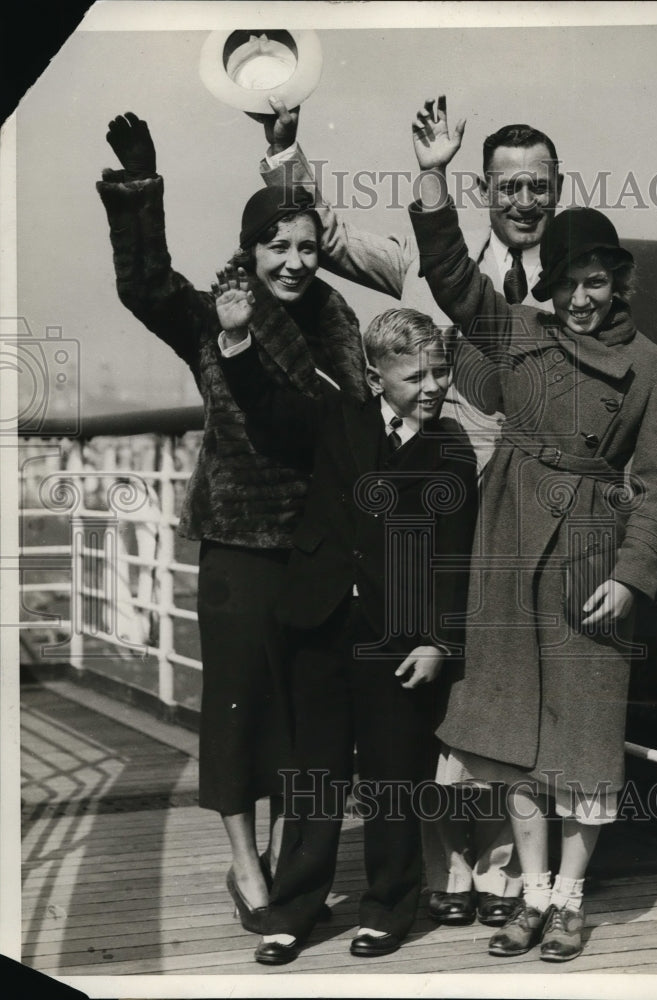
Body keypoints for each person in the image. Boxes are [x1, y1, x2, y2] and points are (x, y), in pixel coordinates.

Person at [253, 94, 565, 929]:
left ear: (557, 191)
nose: (522, 202)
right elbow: (328, 234)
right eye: (506, 187)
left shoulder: (573, 283)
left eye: (538, 186)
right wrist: (285, 152)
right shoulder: (433, 264)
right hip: (437, 507)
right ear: (483, 191)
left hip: (525, 511)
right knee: (427, 707)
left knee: (504, 689)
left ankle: (504, 868)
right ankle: (443, 868)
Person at [407, 98, 657, 962]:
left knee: (583, 742)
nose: (583, 299)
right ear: (549, 283)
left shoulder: (652, 368)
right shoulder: (518, 331)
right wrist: (433, 173)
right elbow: (450, 276)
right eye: (569, 281)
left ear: (618, 283)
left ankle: (568, 898)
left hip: (590, 562)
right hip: (507, 549)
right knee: (511, 740)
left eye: (598, 281)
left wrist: (630, 576)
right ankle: (527, 894)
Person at [96, 112, 367, 934]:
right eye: (276, 246)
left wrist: (252, 348)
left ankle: (292, 871)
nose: (292, 261)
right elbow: (144, 284)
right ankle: (246, 867)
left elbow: (334, 423)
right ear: (250, 250)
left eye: (306, 246)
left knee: (308, 722)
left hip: (315, 547)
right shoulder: (213, 313)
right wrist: (139, 187)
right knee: (239, 711)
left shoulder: (336, 324)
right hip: (237, 549)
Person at [217, 300, 479, 964]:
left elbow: (454, 553)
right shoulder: (339, 419)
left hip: (397, 639)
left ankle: (390, 909)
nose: (432, 388)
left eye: (440, 374)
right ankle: (294, 909)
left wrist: (439, 642)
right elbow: (268, 408)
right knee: (314, 777)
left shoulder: (451, 447)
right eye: (415, 377)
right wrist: (238, 338)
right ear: (373, 373)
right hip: (317, 624)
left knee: (394, 775)